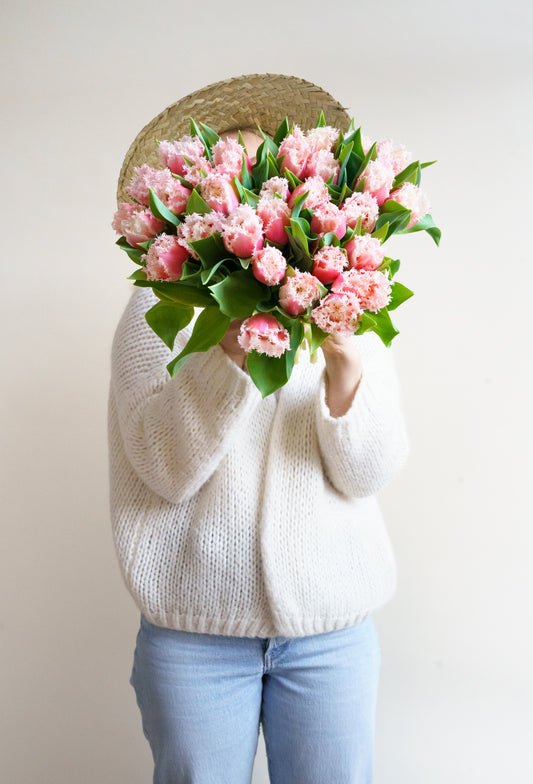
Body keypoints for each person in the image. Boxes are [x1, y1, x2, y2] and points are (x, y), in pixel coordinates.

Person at [108, 73, 410, 784]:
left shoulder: (347, 302)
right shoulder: (158, 313)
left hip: (331, 634)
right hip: (192, 636)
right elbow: (162, 466)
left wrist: (342, 364)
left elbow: (370, 471)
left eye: (267, 181)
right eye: (231, 186)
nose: (249, 202)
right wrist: (231, 350)